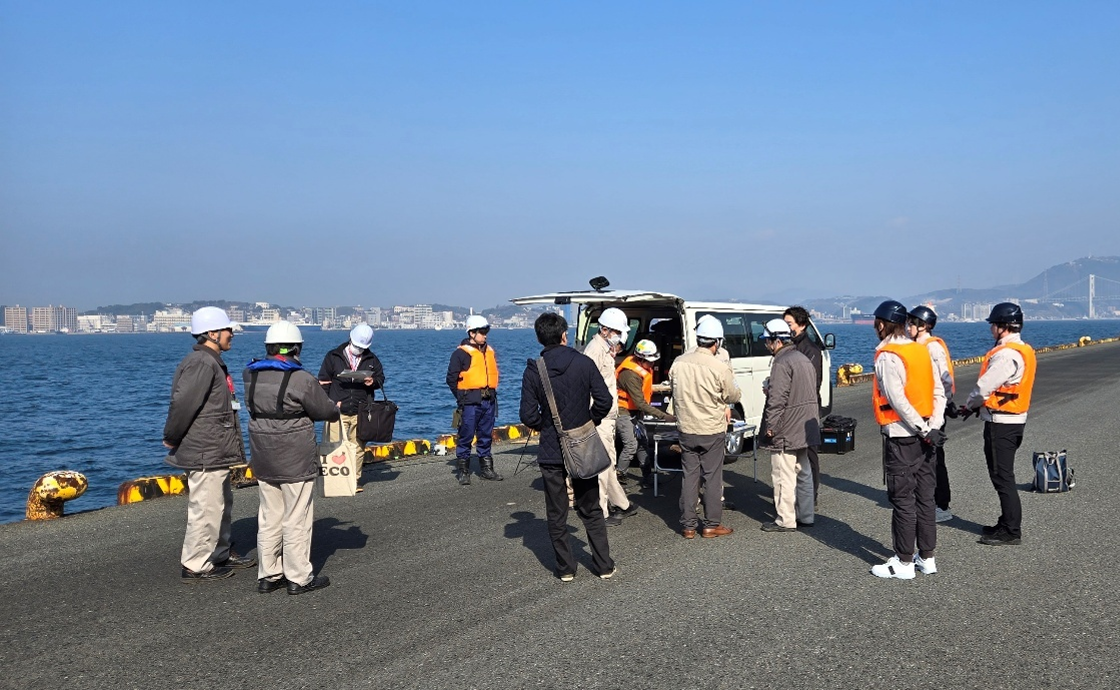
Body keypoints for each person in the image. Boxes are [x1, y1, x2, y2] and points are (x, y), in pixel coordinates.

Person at [519, 312, 616, 581]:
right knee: (591, 507)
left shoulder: (533, 370)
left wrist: (546, 426)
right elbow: (604, 402)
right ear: (564, 335)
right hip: (582, 443)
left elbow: (528, 416)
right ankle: (603, 565)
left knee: (557, 511)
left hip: (551, 449)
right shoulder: (583, 363)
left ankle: (565, 569)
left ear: (540, 338)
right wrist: (589, 421)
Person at [162, 307, 256, 583]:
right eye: (228, 330)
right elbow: (183, 404)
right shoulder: (202, 364)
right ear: (212, 333)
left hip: (215, 447)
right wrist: (172, 435)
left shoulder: (210, 361)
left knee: (220, 502)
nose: (232, 335)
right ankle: (196, 563)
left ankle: (219, 551)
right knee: (206, 506)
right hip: (206, 448)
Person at [245, 322, 339, 595]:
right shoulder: (301, 378)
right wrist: (334, 408)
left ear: (268, 347)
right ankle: (299, 576)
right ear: (296, 348)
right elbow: (324, 410)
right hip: (294, 455)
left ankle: (269, 574)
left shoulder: (250, 375)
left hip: (262, 452)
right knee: (296, 515)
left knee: (269, 515)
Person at [869, 300, 945, 580]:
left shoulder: (887, 355)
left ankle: (902, 562)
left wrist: (921, 429)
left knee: (903, 500)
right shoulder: (920, 350)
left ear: (881, 324)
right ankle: (927, 557)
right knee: (925, 498)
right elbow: (939, 391)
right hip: (928, 433)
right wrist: (933, 426)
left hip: (903, 436)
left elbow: (896, 399)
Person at [963, 302, 1036, 546]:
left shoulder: (1006, 355)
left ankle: (1011, 531)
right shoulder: (1023, 349)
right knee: (1003, 475)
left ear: (1002, 327)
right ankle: (1006, 523)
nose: (991, 329)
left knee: (1002, 477)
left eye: (993, 325)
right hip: (1014, 420)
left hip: (1001, 422)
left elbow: (984, 387)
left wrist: (970, 405)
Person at [668, 316, 742, 539]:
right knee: (712, 477)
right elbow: (733, 394)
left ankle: (688, 525)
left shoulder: (678, 362)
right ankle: (711, 524)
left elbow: (672, 387)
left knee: (689, 476)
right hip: (711, 428)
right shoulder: (719, 366)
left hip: (686, 428)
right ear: (717, 342)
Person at [758, 319, 821, 533]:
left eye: (767, 341)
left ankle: (785, 519)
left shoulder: (781, 362)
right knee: (803, 471)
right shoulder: (803, 358)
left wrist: (771, 426)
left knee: (783, 473)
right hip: (806, 424)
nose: (766, 345)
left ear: (776, 341)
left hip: (787, 426)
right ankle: (806, 515)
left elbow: (778, 399)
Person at [581, 307, 637, 525]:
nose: (619, 338)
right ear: (605, 330)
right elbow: (586, 384)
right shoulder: (595, 350)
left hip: (607, 415)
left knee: (608, 462)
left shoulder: (604, 349)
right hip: (600, 416)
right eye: (616, 332)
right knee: (604, 464)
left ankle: (622, 503)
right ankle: (601, 512)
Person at [318, 323, 385, 492]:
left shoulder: (371, 359)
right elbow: (324, 382)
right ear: (350, 339)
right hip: (337, 409)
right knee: (333, 445)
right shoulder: (333, 356)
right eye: (356, 346)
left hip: (361, 409)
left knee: (358, 446)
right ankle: (335, 481)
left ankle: (354, 481)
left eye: (362, 348)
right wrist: (329, 403)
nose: (358, 349)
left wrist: (373, 382)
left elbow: (381, 377)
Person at [908, 306, 956, 523]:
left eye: (912, 323)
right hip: (920, 409)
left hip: (933, 409)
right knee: (922, 457)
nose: (908, 327)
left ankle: (942, 503)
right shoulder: (915, 346)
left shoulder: (932, 347)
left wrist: (944, 404)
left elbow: (944, 380)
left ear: (923, 326)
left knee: (935, 457)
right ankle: (926, 500)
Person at [446, 315, 502, 484]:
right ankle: (463, 471)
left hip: (489, 400)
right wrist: (462, 397)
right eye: (482, 332)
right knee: (465, 435)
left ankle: (487, 469)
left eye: (486, 332)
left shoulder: (489, 351)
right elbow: (451, 378)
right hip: (469, 402)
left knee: (486, 435)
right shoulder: (460, 354)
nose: (485, 335)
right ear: (472, 333)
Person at [615, 339, 676, 489]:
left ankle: (647, 476)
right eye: (650, 362)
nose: (652, 365)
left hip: (636, 412)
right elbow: (640, 403)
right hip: (623, 412)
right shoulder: (629, 375)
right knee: (630, 445)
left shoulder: (641, 368)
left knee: (642, 444)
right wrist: (664, 416)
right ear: (640, 359)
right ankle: (618, 477)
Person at [782, 306, 823, 507]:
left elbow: (813, 383)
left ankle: (811, 494)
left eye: (789, 324)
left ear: (802, 325)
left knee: (810, 452)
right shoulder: (789, 347)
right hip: (791, 407)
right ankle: (794, 494)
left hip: (807, 410)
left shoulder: (811, 350)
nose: (787, 328)